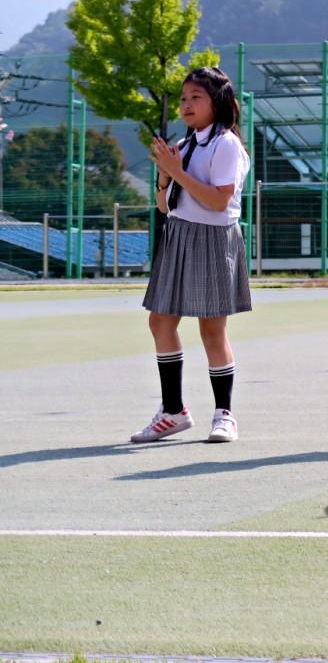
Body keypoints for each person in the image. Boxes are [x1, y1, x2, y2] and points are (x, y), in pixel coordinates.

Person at [134, 66, 251, 443]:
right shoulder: (183, 147)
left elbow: (218, 202)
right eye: (183, 98)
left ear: (218, 103)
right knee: (160, 322)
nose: (186, 105)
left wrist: (176, 172)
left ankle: (225, 415)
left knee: (212, 330)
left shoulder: (227, 145)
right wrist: (166, 176)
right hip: (179, 235)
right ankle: (173, 411)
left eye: (195, 97)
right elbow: (164, 207)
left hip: (214, 239)